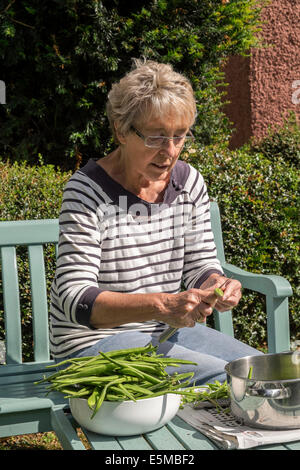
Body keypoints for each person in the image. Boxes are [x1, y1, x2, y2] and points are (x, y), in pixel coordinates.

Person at [50, 59, 261, 383]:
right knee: (230, 380)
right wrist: (162, 305)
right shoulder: (87, 190)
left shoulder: (188, 183)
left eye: (180, 136)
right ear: (121, 130)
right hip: (90, 345)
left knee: (261, 370)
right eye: (156, 137)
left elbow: (200, 264)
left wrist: (216, 284)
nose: (170, 151)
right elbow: (76, 299)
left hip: (163, 335)